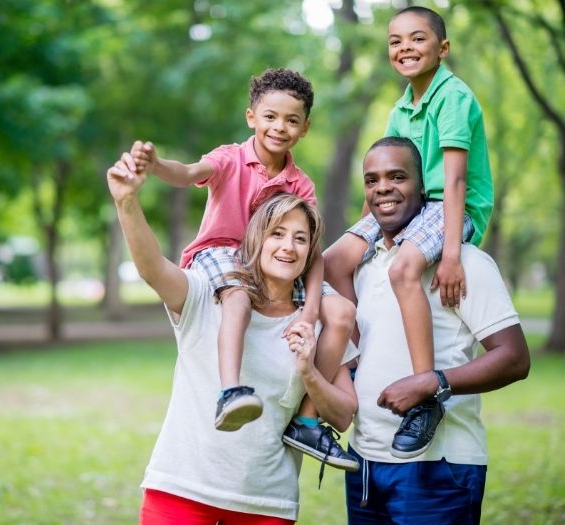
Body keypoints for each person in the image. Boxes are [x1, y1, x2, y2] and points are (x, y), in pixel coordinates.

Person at [106, 153, 359, 523]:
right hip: (182, 490)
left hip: (266, 504)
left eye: (300, 239)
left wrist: (309, 373)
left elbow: (343, 415)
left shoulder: (318, 324)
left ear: (310, 254)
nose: (288, 246)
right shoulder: (207, 295)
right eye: (277, 234)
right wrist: (126, 202)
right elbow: (151, 268)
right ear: (256, 239)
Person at [126, 67, 357, 468]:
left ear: (305, 128)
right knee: (237, 298)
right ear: (251, 116)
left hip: (274, 260)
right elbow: (186, 174)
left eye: (291, 120)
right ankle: (231, 391)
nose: (279, 127)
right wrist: (155, 165)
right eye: (270, 116)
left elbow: (313, 251)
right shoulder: (230, 159)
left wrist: (311, 310)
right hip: (222, 252)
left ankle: (306, 420)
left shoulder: (300, 184)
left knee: (343, 312)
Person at [324, 6, 494, 458]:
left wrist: (453, 253)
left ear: (442, 48)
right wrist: (365, 232)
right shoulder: (402, 106)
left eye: (417, 39)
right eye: (396, 41)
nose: (405, 48)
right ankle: (361, 357)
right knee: (333, 261)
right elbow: (384, 177)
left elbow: (455, 181)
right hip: (410, 205)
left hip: (450, 205)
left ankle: (426, 397)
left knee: (403, 270)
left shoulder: (452, 97)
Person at [338, 136, 530, 524]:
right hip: (364, 463)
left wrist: (432, 382)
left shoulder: (463, 264)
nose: (383, 189)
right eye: (372, 180)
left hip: (439, 466)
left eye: (397, 176)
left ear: (423, 187)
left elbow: (514, 358)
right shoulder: (364, 265)